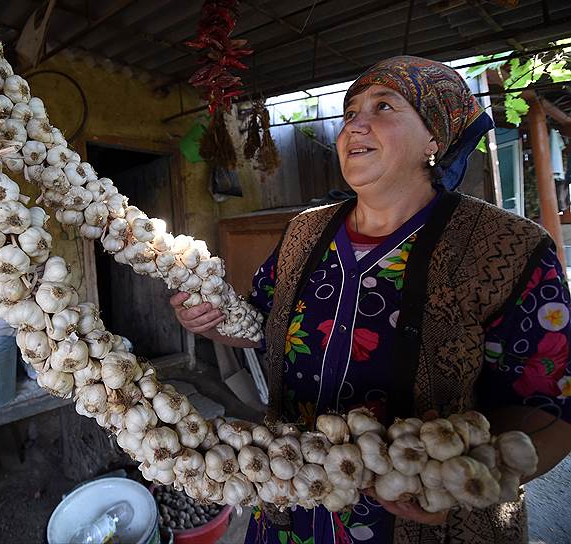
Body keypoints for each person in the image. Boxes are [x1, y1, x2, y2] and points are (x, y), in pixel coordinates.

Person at [170, 56, 571, 543]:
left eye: (383, 106)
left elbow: (550, 405)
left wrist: (459, 482)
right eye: (350, 112)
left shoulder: (508, 247)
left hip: (421, 525)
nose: (354, 125)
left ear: (434, 139)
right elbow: (260, 325)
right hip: (290, 503)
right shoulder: (303, 232)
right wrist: (211, 322)